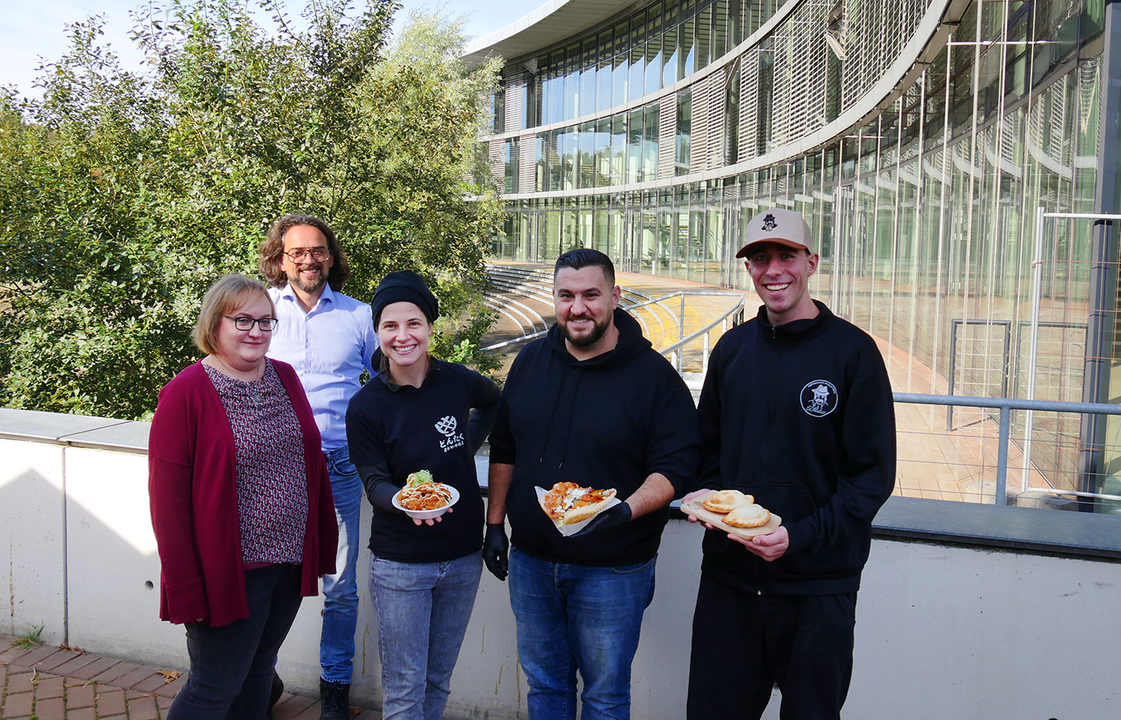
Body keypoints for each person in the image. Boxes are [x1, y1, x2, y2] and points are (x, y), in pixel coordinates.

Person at [685, 208, 896, 720]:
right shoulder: (732, 350)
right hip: (730, 582)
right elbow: (706, 449)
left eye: (786, 255)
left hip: (818, 587)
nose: (773, 269)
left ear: (812, 262)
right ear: (749, 269)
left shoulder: (854, 353)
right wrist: (709, 501)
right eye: (760, 258)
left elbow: (871, 477)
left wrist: (798, 537)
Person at [483, 249, 700, 720]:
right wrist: (495, 525)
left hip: (613, 568)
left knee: (603, 695)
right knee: (545, 687)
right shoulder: (531, 361)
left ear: (615, 298)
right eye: (566, 296)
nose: (577, 308)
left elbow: (677, 466)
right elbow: (504, 447)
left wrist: (622, 512)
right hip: (533, 561)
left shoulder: (654, 378)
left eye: (590, 295)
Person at [149, 273, 339, 719]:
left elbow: (307, 460)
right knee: (214, 688)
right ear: (215, 324)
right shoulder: (186, 393)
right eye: (243, 321)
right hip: (228, 573)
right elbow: (168, 505)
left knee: (258, 671)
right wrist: (185, 585)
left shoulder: (286, 377)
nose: (256, 331)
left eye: (265, 321)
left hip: (287, 564)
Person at [345, 270, 500, 720]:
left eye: (413, 323)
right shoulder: (367, 405)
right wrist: (404, 502)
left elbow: (493, 402)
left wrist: (468, 444)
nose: (402, 336)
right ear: (378, 332)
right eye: (390, 326)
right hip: (400, 565)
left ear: (430, 326)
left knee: (438, 678)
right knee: (405, 686)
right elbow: (372, 480)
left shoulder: (458, 381)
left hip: (463, 556)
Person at [258, 214, 377, 718]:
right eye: (297, 253)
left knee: (341, 588)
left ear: (332, 255)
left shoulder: (360, 315)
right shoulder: (259, 311)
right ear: (280, 260)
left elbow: (395, 377)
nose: (309, 260)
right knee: (265, 580)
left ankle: (334, 691)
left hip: (340, 468)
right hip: (273, 469)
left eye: (319, 250)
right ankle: (260, 680)